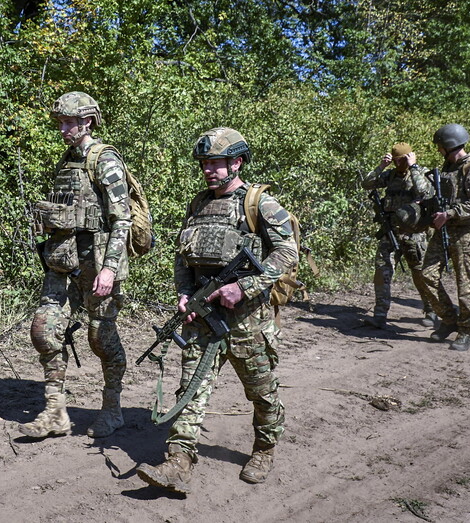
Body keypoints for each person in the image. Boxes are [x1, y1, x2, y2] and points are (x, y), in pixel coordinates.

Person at [136, 128, 297, 493]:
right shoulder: (198, 204)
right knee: (189, 390)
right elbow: (183, 258)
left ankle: (265, 449)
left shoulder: (259, 204)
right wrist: (183, 293)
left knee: (261, 391)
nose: (209, 170)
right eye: (205, 164)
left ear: (236, 162)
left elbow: (287, 253)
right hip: (203, 318)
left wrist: (243, 286)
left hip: (248, 322)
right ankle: (178, 462)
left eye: (216, 163)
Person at [21, 92, 133, 439]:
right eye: (60, 123)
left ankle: (112, 410)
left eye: (68, 122)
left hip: (96, 261)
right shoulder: (67, 160)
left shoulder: (105, 160)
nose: (62, 128)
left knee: (101, 337)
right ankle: (55, 412)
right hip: (62, 260)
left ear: (87, 122)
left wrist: (110, 268)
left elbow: (122, 220)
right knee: (43, 330)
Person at [417, 123, 470, 351]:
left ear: (449, 145)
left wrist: (449, 214)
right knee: (426, 274)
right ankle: (449, 319)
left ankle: (467, 331)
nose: (438, 150)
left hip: (466, 234)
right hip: (443, 230)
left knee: (466, 285)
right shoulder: (447, 168)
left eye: (440, 146)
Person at [360, 143, 444, 329]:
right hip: (390, 232)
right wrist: (382, 166)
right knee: (382, 271)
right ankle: (380, 314)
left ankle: (431, 311)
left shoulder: (421, 173)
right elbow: (366, 183)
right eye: (396, 160)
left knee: (421, 274)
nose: (399, 164)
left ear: (410, 157)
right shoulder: (390, 176)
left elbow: (424, 192)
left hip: (414, 234)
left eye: (403, 159)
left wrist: (413, 167)